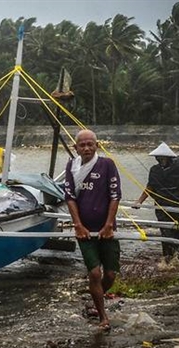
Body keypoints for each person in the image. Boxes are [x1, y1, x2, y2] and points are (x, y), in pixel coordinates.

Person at [64, 129, 121, 332]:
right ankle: (102, 316)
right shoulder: (72, 166)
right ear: (76, 148)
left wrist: (108, 225)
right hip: (85, 231)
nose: (86, 148)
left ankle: (95, 297)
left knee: (111, 275)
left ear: (97, 145)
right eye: (82, 145)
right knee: (95, 273)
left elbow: (115, 196)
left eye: (90, 144)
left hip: (107, 229)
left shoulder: (107, 165)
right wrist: (78, 225)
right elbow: (70, 197)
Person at [133, 142, 179, 260]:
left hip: (178, 205)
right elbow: (150, 187)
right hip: (161, 206)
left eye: (163, 158)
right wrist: (139, 202)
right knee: (166, 233)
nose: (160, 160)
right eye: (158, 158)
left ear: (169, 158)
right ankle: (167, 258)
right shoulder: (154, 170)